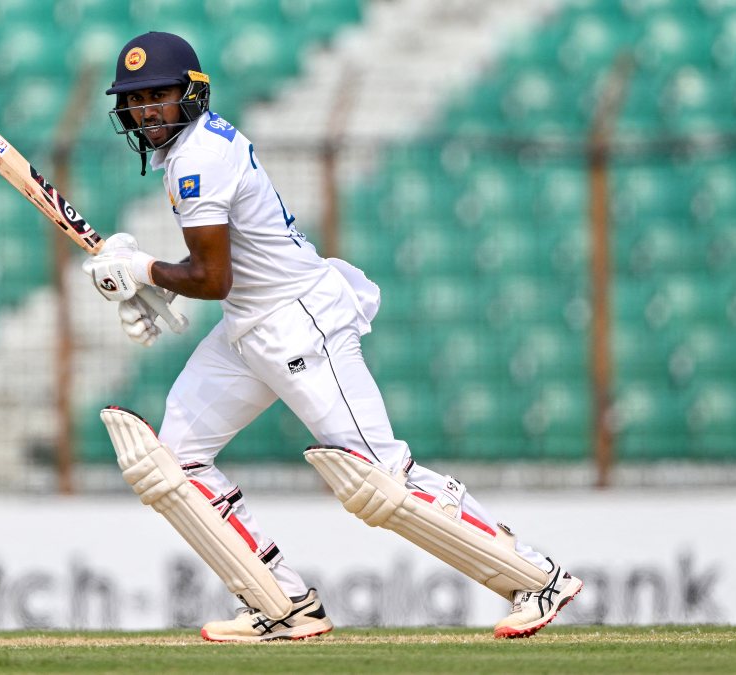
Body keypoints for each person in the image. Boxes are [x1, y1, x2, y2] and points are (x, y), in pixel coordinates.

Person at [84, 31, 582, 642]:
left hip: (298, 323)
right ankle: (282, 604)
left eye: (157, 95)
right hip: (249, 324)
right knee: (173, 463)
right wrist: (155, 286)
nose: (146, 111)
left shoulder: (198, 158)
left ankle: (539, 577)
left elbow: (211, 278)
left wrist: (142, 272)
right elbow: (223, 268)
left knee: (380, 480)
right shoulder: (192, 149)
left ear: (191, 92)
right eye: (135, 100)